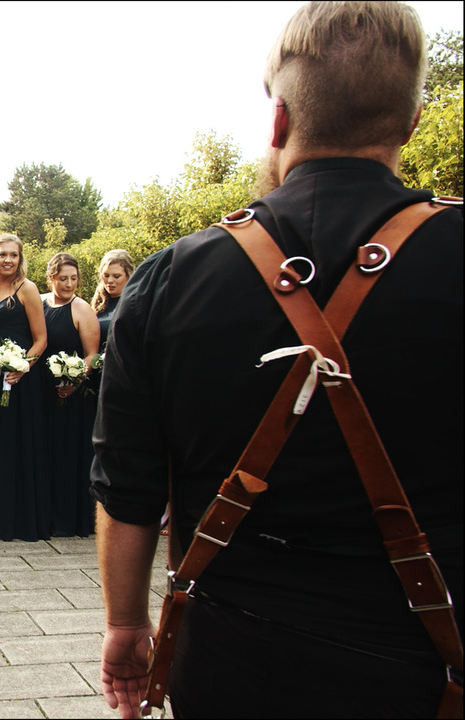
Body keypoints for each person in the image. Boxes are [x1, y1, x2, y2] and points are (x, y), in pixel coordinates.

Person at [93, 3, 463, 717]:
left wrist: (127, 625)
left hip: (231, 659)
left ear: (279, 119)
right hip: (429, 669)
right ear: (411, 123)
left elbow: (127, 487)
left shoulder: (169, 279)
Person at [0, 235, 50, 541]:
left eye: (13, 255)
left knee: (20, 444)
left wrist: (23, 368)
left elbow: (41, 339)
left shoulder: (27, 288)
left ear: (20, 259)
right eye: (2, 255)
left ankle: (22, 520)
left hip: (20, 380)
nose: (8, 260)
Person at [39, 253, 99, 538]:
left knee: (65, 456)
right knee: (43, 454)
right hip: (41, 394)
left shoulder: (82, 309)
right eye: (63, 278)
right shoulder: (38, 303)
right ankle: (43, 516)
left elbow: (92, 355)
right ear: (51, 278)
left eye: (73, 279)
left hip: (70, 396)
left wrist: (74, 381)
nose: (69, 284)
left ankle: (68, 520)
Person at [90, 249, 135, 356]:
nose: (110, 281)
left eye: (116, 276)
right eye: (106, 275)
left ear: (128, 276)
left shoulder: (135, 304)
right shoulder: (97, 306)